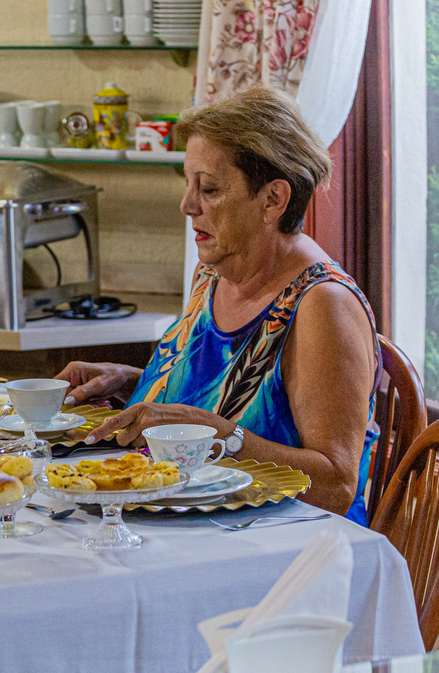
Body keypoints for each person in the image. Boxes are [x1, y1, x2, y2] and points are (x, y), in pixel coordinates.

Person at [61, 86, 379, 524]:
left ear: (273, 200)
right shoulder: (213, 272)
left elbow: (335, 487)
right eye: (189, 184)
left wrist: (214, 434)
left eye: (208, 189)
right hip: (199, 521)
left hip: (291, 552)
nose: (187, 205)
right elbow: (222, 396)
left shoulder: (322, 305)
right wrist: (132, 383)